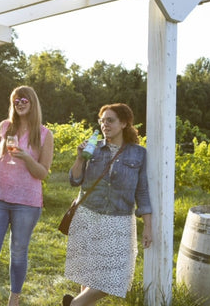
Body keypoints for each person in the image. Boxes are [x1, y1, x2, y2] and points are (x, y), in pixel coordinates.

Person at [0, 86, 54, 306]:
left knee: (18, 253)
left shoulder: (45, 134)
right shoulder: (5, 127)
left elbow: (42, 173)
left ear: (33, 102)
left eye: (24, 99)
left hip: (27, 202)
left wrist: (26, 158)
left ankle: (14, 299)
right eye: (16, 100)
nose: (20, 102)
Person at [62, 103, 152, 306]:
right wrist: (79, 158)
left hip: (119, 220)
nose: (105, 125)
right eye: (102, 121)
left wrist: (148, 225)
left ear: (124, 123)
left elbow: (142, 191)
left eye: (110, 120)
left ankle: (73, 304)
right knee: (88, 276)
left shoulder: (138, 154)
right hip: (87, 215)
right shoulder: (93, 148)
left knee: (116, 278)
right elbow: (75, 180)